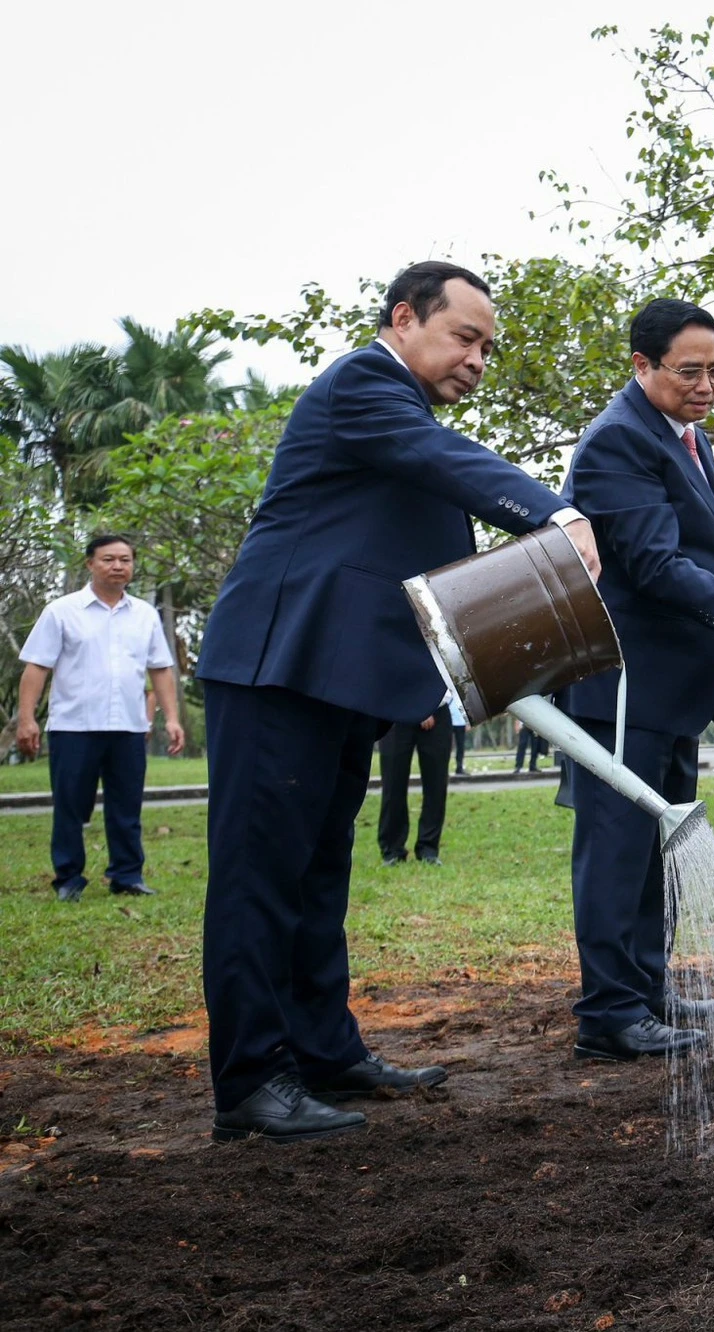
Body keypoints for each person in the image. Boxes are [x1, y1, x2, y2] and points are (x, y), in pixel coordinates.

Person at [196, 261, 600, 1144]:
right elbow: (444, 463)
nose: (479, 359)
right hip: (276, 667)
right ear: (404, 317)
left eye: (489, 347)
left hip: (333, 681)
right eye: (465, 337)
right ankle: (252, 1082)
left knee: (316, 877)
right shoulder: (364, 385)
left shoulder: (404, 417)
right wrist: (553, 514)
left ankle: (324, 1050)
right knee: (262, 880)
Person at [559, 298, 714, 1061]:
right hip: (626, 691)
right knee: (618, 847)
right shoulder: (618, 442)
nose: (707, 385)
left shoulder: (689, 438)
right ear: (642, 365)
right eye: (690, 371)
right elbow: (653, 565)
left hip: (675, 692)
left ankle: (647, 987)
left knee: (660, 846)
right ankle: (609, 1013)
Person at [15, 533, 185, 901]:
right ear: (90, 564)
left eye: (125, 559)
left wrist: (171, 718)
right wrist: (26, 719)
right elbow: (36, 668)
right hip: (74, 727)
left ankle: (127, 876)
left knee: (127, 807)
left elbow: (160, 670)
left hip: (128, 727)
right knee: (70, 807)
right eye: (108, 559)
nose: (118, 566)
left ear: (133, 566)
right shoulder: (61, 611)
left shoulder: (144, 615)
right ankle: (69, 879)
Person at [377, 698, 452, 866]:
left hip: (437, 710)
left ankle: (428, 848)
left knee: (436, 785)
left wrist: (427, 707)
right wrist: (417, 707)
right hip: (396, 711)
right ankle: (392, 850)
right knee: (393, 784)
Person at [448, 692, 468, 776]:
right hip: (449, 722)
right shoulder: (448, 693)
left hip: (461, 723)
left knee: (460, 747)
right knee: (447, 747)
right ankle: (444, 769)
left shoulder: (462, 693)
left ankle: (459, 768)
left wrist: (468, 722)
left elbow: (467, 708)